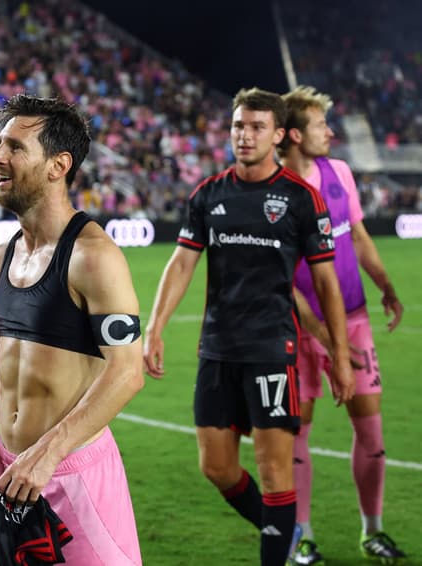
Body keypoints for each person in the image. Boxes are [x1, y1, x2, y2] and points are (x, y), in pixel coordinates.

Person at [0, 94, 145, 565]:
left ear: (58, 166)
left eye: (15, 147)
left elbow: (128, 372)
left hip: (70, 476)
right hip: (4, 470)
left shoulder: (93, 257)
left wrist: (48, 454)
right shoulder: (4, 256)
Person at [142, 87, 355, 566]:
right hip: (217, 347)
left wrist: (339, 357)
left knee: (274, 469)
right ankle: (284, 533)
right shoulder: (209, 194)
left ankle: (276, 552)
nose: (245, 134)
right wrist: (155, 327)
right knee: (216, 467)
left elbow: (326, 283)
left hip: (271, 349)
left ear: (278, 135)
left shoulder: (301, 199)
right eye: (239, 125)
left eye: (257, 127)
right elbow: (181, 264)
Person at [279, 85, 406, 565]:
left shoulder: (340, 173)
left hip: (353, 321)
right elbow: (282, 280)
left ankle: (373, 531)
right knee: (297, 436)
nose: (331, 133)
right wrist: (324, 339)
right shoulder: (274, 191)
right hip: (298, 329)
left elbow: (360, 235)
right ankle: (302, 537)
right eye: (321, 125)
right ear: (295, 134)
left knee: (372, 433)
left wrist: (385, 285)